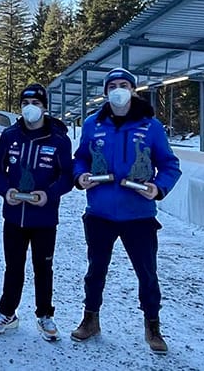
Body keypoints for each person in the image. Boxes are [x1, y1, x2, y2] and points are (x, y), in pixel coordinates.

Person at [71, 67, 181, 354]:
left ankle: (153, 325)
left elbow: (170, 165)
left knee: (147, 273)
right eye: (112, 86)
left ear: (133, 90)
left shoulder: (150, 126)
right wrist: (80, 176)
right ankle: (90, 319)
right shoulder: (93, 123)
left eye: (124, 85)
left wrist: (157, 187)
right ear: (105, 92)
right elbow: (81, 158)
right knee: (95, 270)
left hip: (139, 216)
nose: (118, 90)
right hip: (100, 213)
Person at [0, 84, 73, 342]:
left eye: (35, 103)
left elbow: (67, 175)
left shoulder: (58, 139)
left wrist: (50, 194)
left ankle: (45, 314)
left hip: (44, 217)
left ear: (44, 106)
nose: (30, 108)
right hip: (14, 215)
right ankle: (7, 313)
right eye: (25, 103)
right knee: (13, 266)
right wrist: (5, 191)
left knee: (43, 267)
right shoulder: (10, 135)